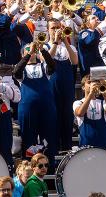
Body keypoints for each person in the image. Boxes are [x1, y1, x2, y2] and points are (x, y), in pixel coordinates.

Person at [13, 42, 57, 169]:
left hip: (46, 108)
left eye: (32, 49)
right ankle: (28, 169)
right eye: (27, 49)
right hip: (27, 109)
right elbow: (16, 72)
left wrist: (42, 50)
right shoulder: (20, 67)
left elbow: (52, 66)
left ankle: (49, 168)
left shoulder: (43, 66)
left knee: (48, 138)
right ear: (22, 54)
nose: (31, 51)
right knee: (28, 137)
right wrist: (28, 54)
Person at [45, 18, 78, 150]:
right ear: (48, 30)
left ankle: (67, 146)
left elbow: (75, 61)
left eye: (58, 27)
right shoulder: (45, 46)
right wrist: (55, 42)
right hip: (52, 86)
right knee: (53, 117)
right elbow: (48, 59)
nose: (56, 30)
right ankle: (53, 148)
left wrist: (65, 42)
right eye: (53, 28)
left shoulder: (69, 47)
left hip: (67, 86)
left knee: (67, 117)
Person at [73, 75, 106, 149]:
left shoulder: (102, 102)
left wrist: (104, 91)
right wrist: (90, 94)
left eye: (94, 82)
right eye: (89, 82)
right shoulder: (78, 102)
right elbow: (80, 113)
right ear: (83, 87)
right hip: (86, 146)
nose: (92, 84)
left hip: (103, 145)